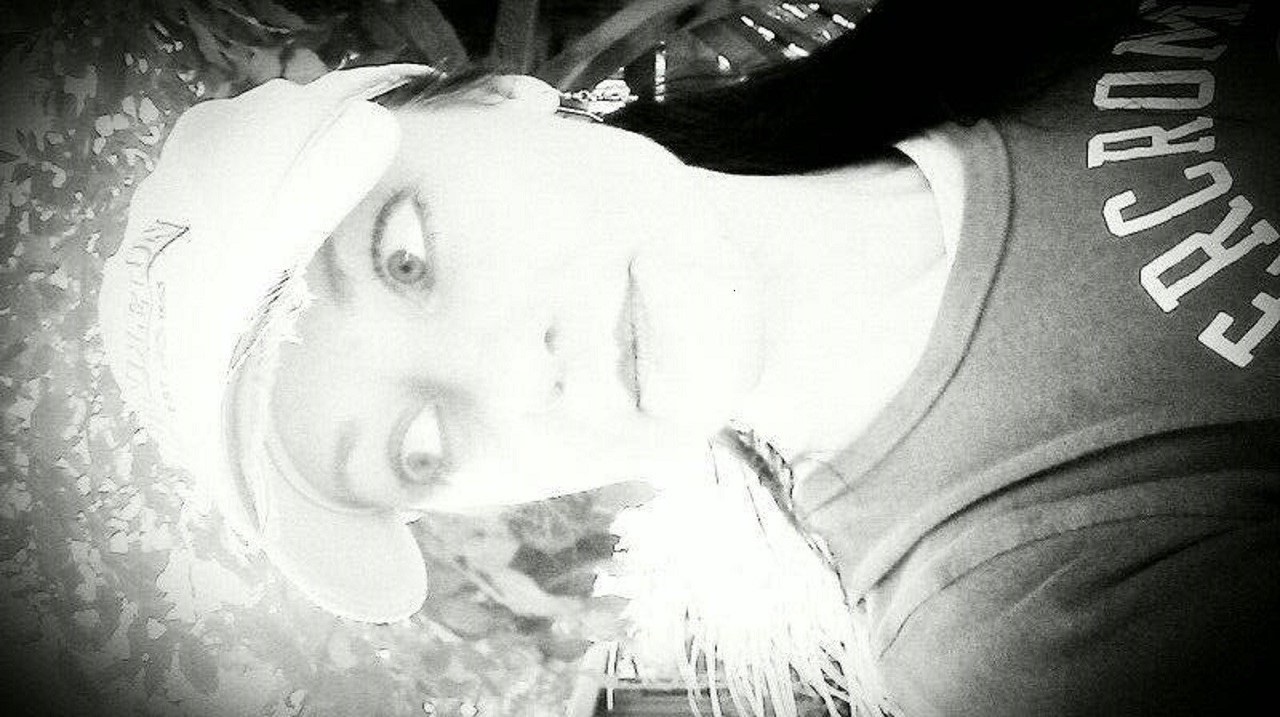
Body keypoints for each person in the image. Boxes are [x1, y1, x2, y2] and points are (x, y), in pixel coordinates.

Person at [96, 0, 1280, 714]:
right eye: (418, 447)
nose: (512, 376)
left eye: (406, 257)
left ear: (500, 99)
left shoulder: (998, 36)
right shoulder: (1022, 627)